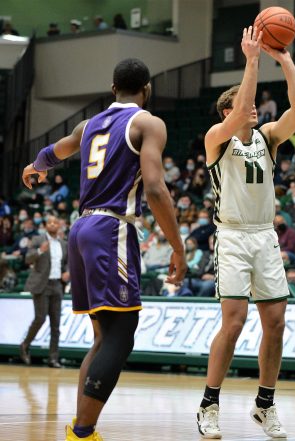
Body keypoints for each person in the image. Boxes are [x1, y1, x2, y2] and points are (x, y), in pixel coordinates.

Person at [21, 58, 187, 441]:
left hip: (80, 229)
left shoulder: (87, 125)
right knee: (122, 332)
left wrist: (34, 165)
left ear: (113, 89)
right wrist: (177, 247)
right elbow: (155, 187)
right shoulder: (147, 123)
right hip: (112, 227)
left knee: (103, 336)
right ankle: (82, 432)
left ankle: (80, 429)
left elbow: (55, 152)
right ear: (147, 89)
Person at [196, 25, 295, 439]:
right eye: (243, 106)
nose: (253, 109)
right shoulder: (216, 139)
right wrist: (252, 60)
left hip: (264, 235)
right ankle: (209, 404)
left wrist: (286, 61)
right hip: (232, 237)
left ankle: (265, 403)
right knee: (235, 321)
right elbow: (242, 109)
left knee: (275, 322)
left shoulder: (268, 138)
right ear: (226, 113)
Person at [19, 215, 69, 368]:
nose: (53, 224)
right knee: (40, 318)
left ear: (59, 226)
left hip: (57, 285)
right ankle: (25, 345)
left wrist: (67, 272)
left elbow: (67, 263)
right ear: (46, 225)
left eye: (55, 222)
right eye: (50, 222)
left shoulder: (64, 244)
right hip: (42, 285)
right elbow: (27, 259)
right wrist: (40, 250)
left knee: (56, 324)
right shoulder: (37, 240)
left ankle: (53, 358)